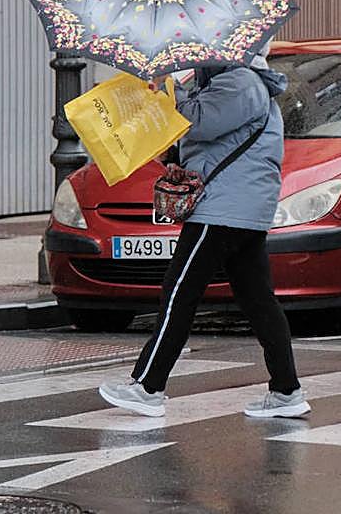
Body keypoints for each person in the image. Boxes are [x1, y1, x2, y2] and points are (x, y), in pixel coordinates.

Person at [98, 42, 309, 419]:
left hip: (223, 209)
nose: (196, 53)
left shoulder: (241, 82)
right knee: (258, 301)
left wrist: (168, 87)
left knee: (179, 292)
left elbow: (196, 121)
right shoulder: (227, 82)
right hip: (239, 209)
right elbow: (203, 135)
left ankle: (148, 387)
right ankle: (286, 391)